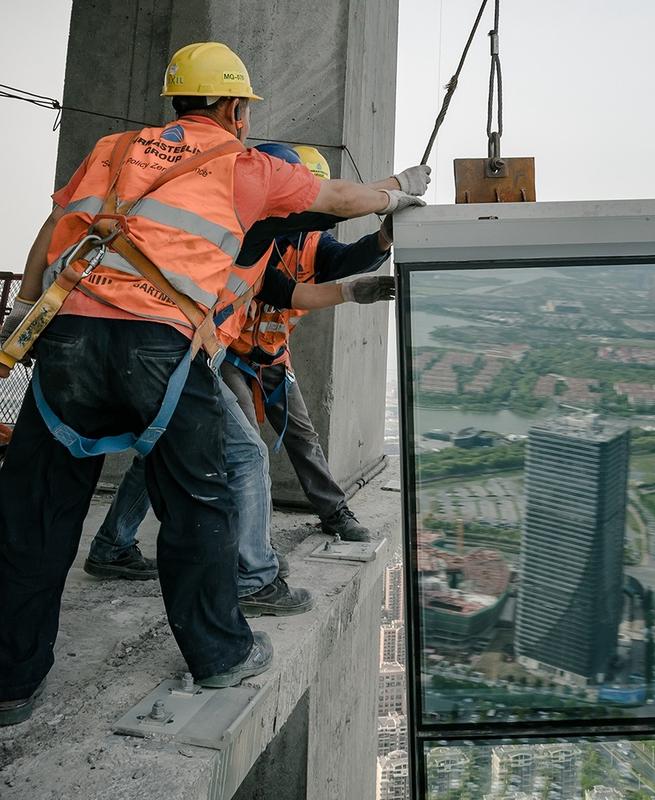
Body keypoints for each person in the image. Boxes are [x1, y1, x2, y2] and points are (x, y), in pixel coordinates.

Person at [0, 42, 424, 725]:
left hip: (68, 333)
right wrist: (398, 190)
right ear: (233, 107)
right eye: (245, 109)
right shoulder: (242, 165)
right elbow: (339, 198)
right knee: (203, 502)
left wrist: (24, 307)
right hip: (155, 346)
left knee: (35, 515)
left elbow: (55, 228)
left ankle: (11, 684)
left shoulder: (114, 147)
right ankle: (220, 651)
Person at [223, 143, 416, 542]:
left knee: (302, 435)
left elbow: (342, 260)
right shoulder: (251, 237)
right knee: (239, 444)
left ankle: (334, 512)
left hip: (271, 356)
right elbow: (282, 292)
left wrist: (382, 239)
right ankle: (244, 543)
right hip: (225, 353)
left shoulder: (311, 243)